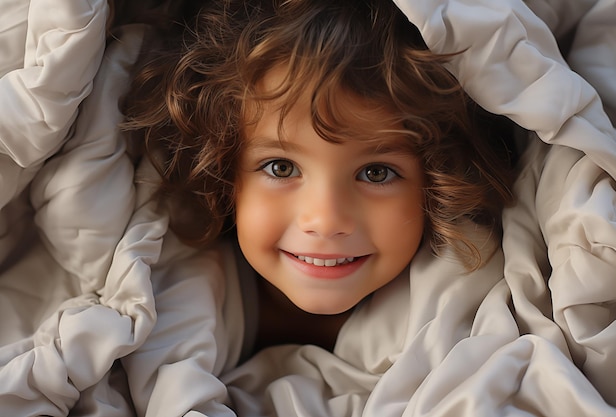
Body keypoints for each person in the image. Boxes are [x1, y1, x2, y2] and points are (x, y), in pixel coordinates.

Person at [119, 0, 515, 413]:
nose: (326, 221)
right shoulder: (169, 296)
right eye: (281, 167)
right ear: (224, 174)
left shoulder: (459, 306)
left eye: (376, 173)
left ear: (436, 183)